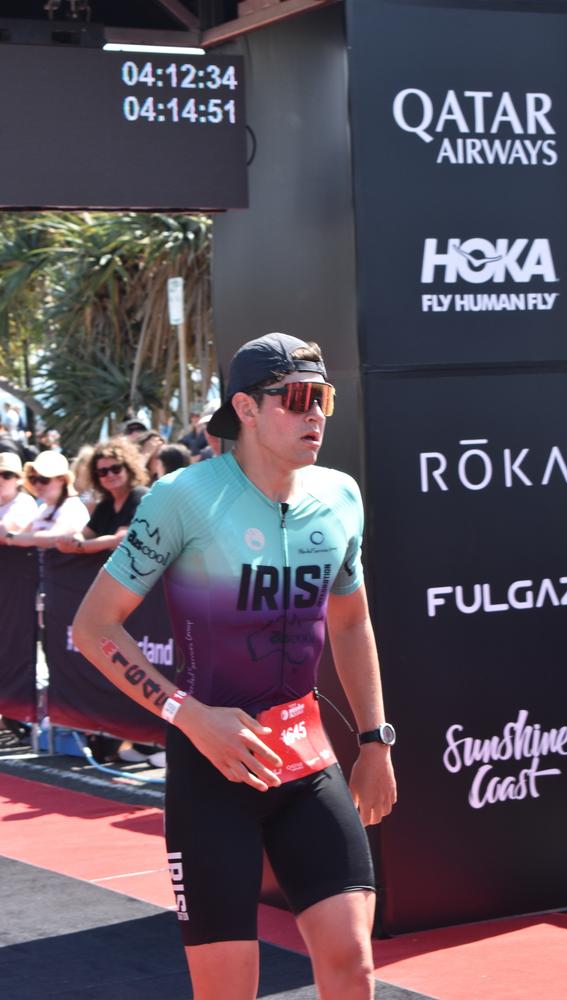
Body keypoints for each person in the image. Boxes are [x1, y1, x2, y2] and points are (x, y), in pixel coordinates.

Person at [73, 332, 397, 1000]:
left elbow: (350, 618)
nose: (317, 415)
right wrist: (188, 716)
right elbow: (92, 626)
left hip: (306, 759)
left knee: (353, 963)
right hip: (211, 767)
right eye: (299, 399)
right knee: (227, 990)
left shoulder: (339, 496)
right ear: (246, 410)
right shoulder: (181, 497)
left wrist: (374, 739)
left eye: (325, 399)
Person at [56, 437, 149, 556]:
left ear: (128, 469)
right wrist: (72, 539)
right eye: (102, 472)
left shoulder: (140, 495)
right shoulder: (105, 504)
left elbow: (122, 539)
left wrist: (79, 546)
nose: (110, 475)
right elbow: (86, 534)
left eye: (116, 469)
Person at [0, 450, 89, 547]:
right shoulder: (43, 508)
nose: (37, 485)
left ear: (62, 479)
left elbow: (57, 537)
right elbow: (21, 534)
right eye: (33, 479)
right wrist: (12, 537)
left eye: (44, 479)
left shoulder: (73, 507)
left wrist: (10, 537)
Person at [0, 451, 38, 532]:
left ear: (19, 480)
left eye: (7, 475)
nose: (0, 479)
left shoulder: (25, 502)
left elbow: (7, 529)